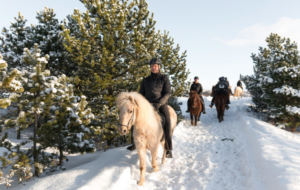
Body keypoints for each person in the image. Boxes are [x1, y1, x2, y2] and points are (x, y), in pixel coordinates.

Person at [127, 58, 173, 158]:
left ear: (159, 67)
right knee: (135, 119)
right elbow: (141, 94)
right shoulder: (145, 80)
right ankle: (133, 143)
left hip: (161, 104)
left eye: (155, 66)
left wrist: (160, 102)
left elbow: (167, 93)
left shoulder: (164, 78)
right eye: (152, 66)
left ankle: (168, 148)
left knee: (167, 122)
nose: (153, 68)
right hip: (147, 105)